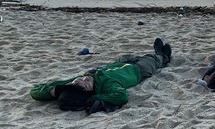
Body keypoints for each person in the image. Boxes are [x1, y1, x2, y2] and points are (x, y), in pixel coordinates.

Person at [30, 38, 172, 113]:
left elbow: (35, 91)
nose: (84, 78)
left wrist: (52, 91)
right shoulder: (107, 86)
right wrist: (94, 98)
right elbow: (122, 96)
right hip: (137, 70)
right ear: (90, 92)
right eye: (86, 84)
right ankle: (162, 55)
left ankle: (155, 54)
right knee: (151, 61)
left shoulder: (73, 84)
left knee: (124, 56)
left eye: (80, 80)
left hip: (116, 65)